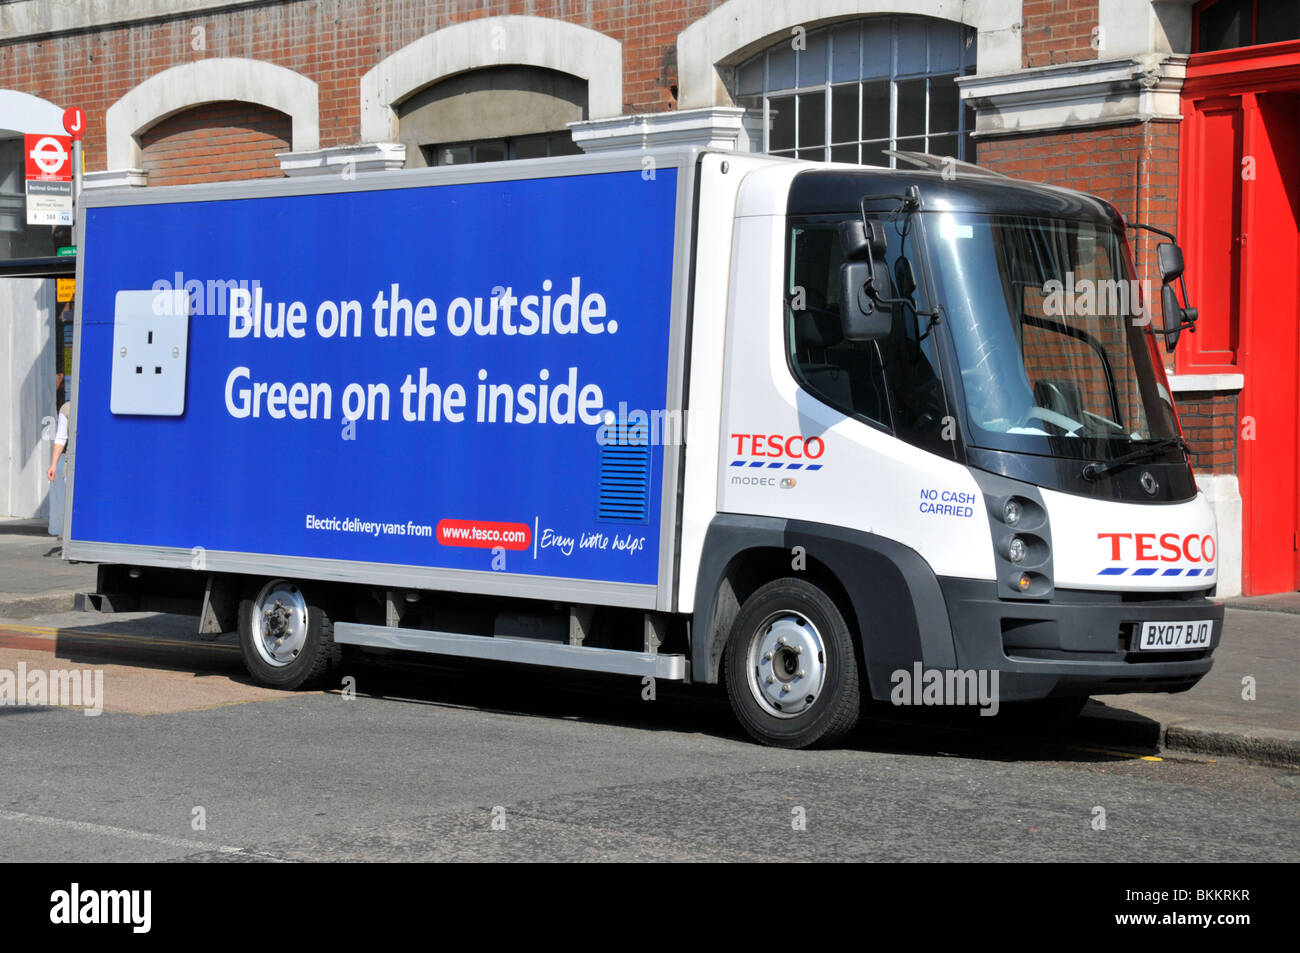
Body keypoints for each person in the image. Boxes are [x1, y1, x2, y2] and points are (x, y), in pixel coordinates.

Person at [47, 401, 70, 536]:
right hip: (72, 464)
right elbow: (61, 437)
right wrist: (53, 464)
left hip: (93, 464)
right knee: (71, 505)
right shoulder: (67, 408)